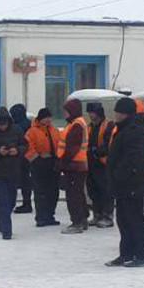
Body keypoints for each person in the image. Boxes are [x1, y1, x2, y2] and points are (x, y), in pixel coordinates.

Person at [106, 97, 144, 267]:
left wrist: (119, 174)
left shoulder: (135, 131)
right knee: (124, 220)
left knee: (134, 220)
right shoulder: (123, 129)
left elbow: (134, 159)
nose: (115, 114)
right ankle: (126, 254)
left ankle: (142, 255)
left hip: (132, 184)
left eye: (118, 111)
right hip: (123, 185)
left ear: (125, 113)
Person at [0, 108, 29, 240]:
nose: (2, 127)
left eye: (4, 124)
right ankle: (7, 231)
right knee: (3, 201)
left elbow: (25, 145)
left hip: (13, 170)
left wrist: (17, 150)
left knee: (11, 201)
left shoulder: (17, 130)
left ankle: (2, 224)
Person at [56, 98, 89, 234]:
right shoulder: (76, 123)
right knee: (78, 193)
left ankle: (77, 222)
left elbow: (71, 148)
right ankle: (83, 219)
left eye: (66, 111)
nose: (64, 113)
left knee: (73, 195)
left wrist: (61, 163)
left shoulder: (76, 125)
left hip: (74, 165)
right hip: (78, 165)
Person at [25, 108, 62, 227]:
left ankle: (50, 215)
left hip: (53, 163)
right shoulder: (32, 132)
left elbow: (60, 145)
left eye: (50, 117)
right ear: (41, 118)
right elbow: (28, 147)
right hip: (39, 165)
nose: (48, 120)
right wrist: (36, 159)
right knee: (40, 191)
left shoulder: (55, 131)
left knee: (53, 191)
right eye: (46, 117)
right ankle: (41, 217)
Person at [86, 102, 117, 228]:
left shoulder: (108, 125)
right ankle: (97, 214)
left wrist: (97, 152)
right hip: (91, 163)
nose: (90, 115)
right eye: (89, 113)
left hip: (103, 163)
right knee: (93, 190)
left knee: (105, 190)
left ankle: (107, 216)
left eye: (92, 112)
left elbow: (109, 143)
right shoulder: (89, 127)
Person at [9, 104, 34, 213]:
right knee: (26, 180)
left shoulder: (16, 126)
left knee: (20, 180)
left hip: (19, 156)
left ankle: (24, 204)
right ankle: (27, 202)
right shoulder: (30, 124)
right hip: (29, 155)